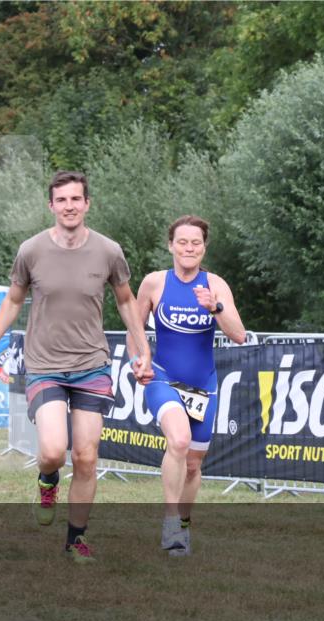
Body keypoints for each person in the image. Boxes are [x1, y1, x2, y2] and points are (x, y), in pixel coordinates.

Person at [0, 171, 152, 563]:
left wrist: (143, 350)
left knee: (87, 457)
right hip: (45, 364)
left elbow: (125, 301)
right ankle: (47, 480)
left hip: (92, 364)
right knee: (53, 451)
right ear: (51, 205)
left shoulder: (108, 251)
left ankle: (76, 539)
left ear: (87, 203)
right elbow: (13, 302)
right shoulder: (31, 250)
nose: (69, 206)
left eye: (76, 199)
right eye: (62, 200)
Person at [135, 215, 246, 556]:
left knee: (194, 464)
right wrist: (139, 360)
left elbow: (238, 334)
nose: (189, 248)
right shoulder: (154, 283)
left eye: (196, 242)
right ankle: (171, 523)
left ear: (204, 247)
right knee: (179, 440)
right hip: (163, 377)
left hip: (203, 385)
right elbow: (134, 329)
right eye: (182, 242)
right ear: (171, 245)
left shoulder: (215, 284)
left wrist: (216, 307)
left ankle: (183, 523)